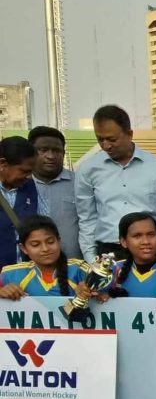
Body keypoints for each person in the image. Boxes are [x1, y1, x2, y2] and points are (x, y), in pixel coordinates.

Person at [76, 105, 156, 262]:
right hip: (109, 253)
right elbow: (87, 219)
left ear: (129, 134)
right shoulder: (87, 169)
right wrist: (91, 259)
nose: (106, 145)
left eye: (112, 139)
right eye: (100, 139)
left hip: (152, 250)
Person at [0, 216, 94, 300]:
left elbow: (106, 285)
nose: (45, 249)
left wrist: (91, 290)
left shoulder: (79, 268)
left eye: (50, 242)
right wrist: (2, 292)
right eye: (35, 245)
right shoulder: (11, 274)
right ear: (24, 248)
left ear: (59, 241)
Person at [28, 126, 80, 259]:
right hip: (29, 268)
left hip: (73, 265)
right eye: (43, 150)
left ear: (63, 153)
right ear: (31, 152)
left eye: (56, 151)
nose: (50, 156)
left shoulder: (79, 183)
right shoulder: (21, 184)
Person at [0, 137, 48, 269]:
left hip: (26, 273)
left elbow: (44, 225)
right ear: (3, 164)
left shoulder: (32, 188)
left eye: (31, 172)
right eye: (24, 171)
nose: (29, 177)